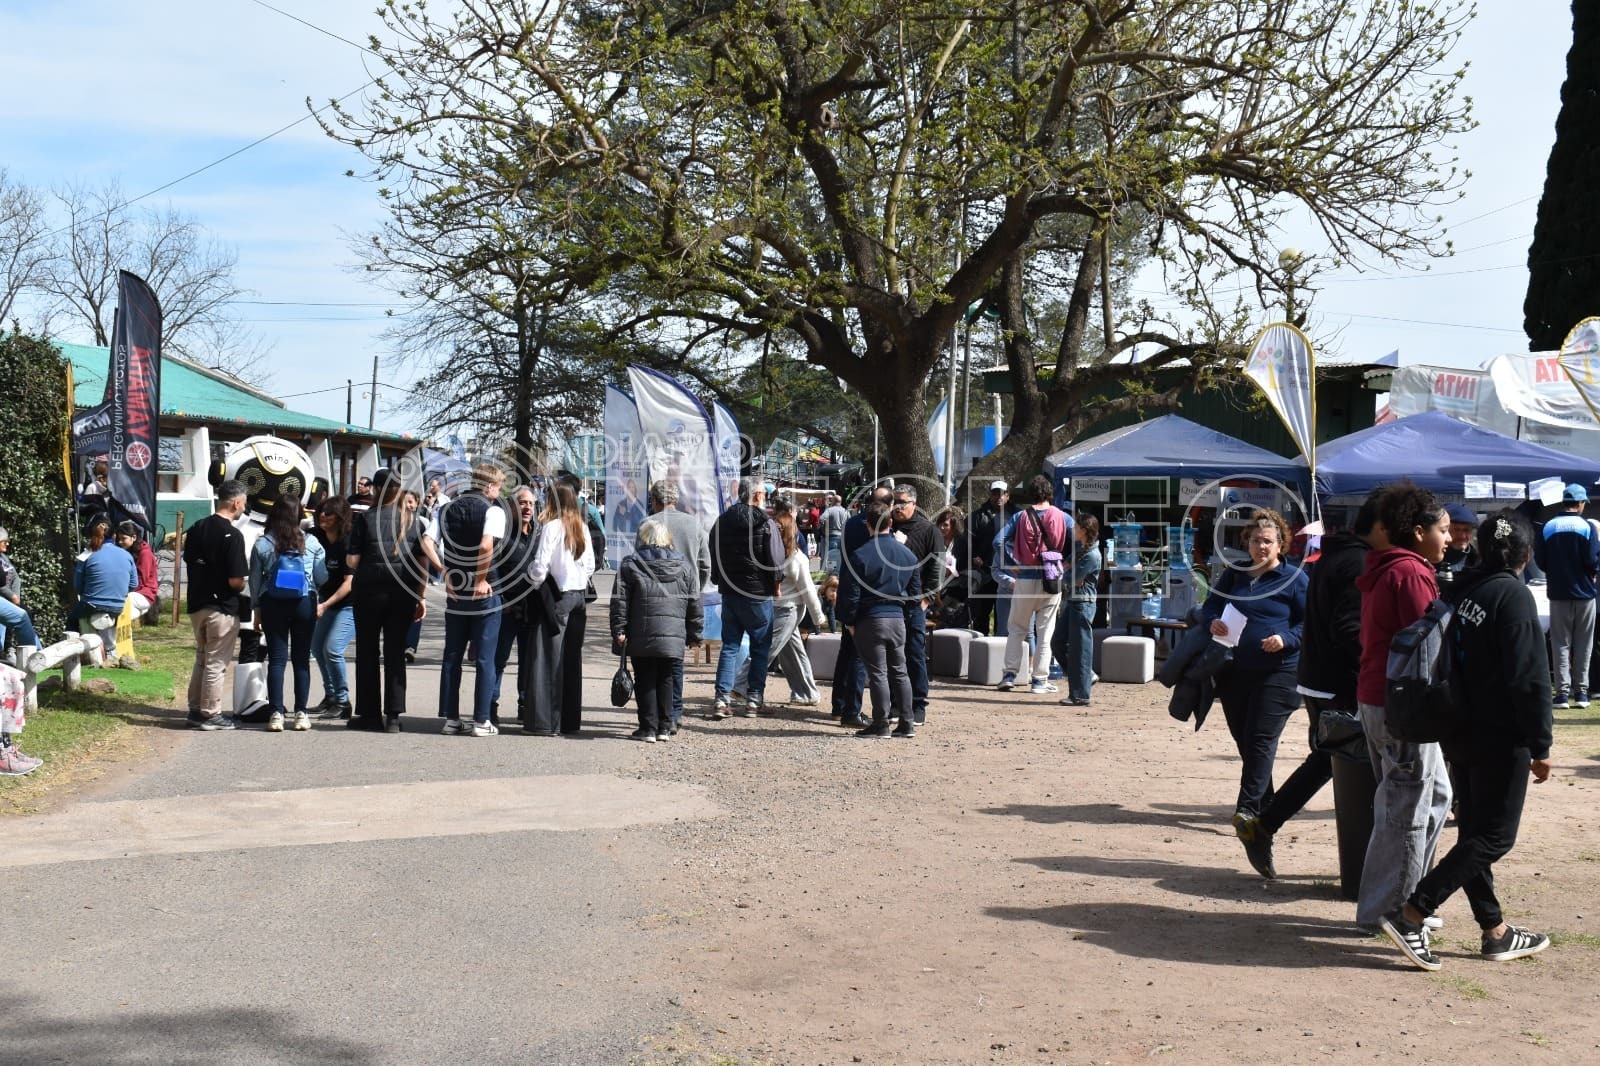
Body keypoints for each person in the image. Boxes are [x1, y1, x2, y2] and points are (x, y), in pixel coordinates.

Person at [1380, 509, 1554, 972]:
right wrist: (1541, 744)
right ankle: (1412, 912)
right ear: (1526, 554)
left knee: (1475, 833)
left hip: (1458, 728)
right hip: (1500, 736)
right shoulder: (1512, 596)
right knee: (1494, 836)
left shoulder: (1462, 589)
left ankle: (1494, 931)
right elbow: (1529, 679)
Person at [1243, 492, 1382, 879]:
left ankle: (1264, 825)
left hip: (1319, 679)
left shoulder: (1334, 557)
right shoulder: (1355, 562)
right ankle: (1265, 824)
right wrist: (1375, 669)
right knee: (1341, 761)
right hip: (1338, 683)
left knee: (1326, 760)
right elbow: (1348, 628)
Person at [1354, 481, 1452, 932]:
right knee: (1405, 810)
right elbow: (1426, 646)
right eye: (1442, 530)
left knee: (1434, 797)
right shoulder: (1409, 572)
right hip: (1401, 706)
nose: (1448, 539)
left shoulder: (1391, 567)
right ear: (1417, 532)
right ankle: (1390, 913)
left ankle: (1410, 901)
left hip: (1383, 699)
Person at [1200, 509, 1309, 862]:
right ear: (1246, 542)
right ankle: (1267, 812)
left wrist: (1285, 638)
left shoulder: (1294, 579)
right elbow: (1209, 608)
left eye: (1268, 541)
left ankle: (1246, 811)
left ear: (1281, 545)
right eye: (1255, 540)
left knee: (1261, 740)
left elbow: (1309, 624)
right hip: (1234, 671)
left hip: (1279, 673)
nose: (1261, 546)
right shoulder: (1234, 575)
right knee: (1247, 743)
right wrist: (1213, 621)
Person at [347, 470, 434, 732]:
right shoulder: (414, 521)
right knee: (395, 651)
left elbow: (353, 561)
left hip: (369, 592)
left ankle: (369, 714)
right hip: (403, 593)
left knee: (367, 651)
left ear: (376, 489)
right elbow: (422, 564)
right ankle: (394, 716)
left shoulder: (365, 519)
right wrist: (421, 596)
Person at [433, 462, 509, 737]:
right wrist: (480, 578)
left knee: (452, 655)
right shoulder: (493, 511)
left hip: (456, 591)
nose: (498, 493)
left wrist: (444, 572)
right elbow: (486, 544)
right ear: (489, 486)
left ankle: (451, 718)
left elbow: (428, 543)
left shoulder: (446, 508)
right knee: (485, 658)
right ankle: (481, 720)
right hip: (485, 591)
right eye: (498, 487)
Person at [612, 519, 703, 741]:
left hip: (641, 633)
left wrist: (619, 629)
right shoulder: (684, 566)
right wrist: (695, 634)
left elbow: (620, 601)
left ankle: (648, 728)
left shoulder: (630, 565)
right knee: (666, 678)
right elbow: (694, 603)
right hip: (673, 635)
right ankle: (664, 727)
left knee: (644, 678)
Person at [838, 500, 921, 738]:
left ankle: (881, 722)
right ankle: (907, 722)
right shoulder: (908, 555)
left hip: (871, 618)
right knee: (900, 671)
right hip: (897, 618)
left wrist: (849, 621)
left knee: (878, 673)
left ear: (868, 524)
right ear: (891, 523)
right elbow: (915, 594)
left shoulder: (859, 555)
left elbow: (850, 594)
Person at [248, 494, 328, 733]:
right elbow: (322, 576)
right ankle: (301, 713)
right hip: (304, 602)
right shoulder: (311, 542)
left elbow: (254, 581)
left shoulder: (263, 543)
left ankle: (276, 713)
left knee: (277, 659)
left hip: (272, 603)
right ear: (298, 515)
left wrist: (256, 609)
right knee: (301, 659)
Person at [524, 483, 596, 735]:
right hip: (579, 597)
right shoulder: (582, 527)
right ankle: (568, 721)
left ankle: (545, 722)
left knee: (547, 657)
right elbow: (590, 565)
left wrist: (533, 581)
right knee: (571, 659)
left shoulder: (552, 527)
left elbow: (540, 565)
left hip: (558, 596)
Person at [707, 477, 782, 719]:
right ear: (757, 495)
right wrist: (776, 585)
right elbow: (775, 560)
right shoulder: (766, 523)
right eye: (763, 493)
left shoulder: (722, 521)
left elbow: (713, 552)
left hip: (730, 592)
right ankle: (754, 700)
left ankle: (721, 699)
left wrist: (718, 578)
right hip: (757, 594)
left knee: (730, 645)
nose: (765, 497)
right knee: (760, 648)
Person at [639, 479, 709, 733]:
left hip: (652, 599)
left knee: (651, 661)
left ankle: (658, 715)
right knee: (675, 658)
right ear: (675, 500)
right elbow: (705, 564)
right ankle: (674, 712)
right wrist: (695, 589)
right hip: (684, 597)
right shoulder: (694, 524)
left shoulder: (647, 524)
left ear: (655, 500)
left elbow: (638, 563)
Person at [735, 511, 826, 706]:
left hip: (784, 609)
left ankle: (740, 685)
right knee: (791, 653)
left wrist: (817, 616)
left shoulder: (778, 557)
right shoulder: (794, 558)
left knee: (766, 649)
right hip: (785, 609)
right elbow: (808, 590)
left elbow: (808, 590)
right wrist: (818, 617)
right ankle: (806, 693)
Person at [182, 480, 249, 730]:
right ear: (236, 503)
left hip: (197, 604)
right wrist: (244, 586)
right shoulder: (233, 535)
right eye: (244, 503)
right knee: (216, 662)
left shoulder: (197, 528)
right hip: (221, 607)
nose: (244, 508)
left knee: (202, 658)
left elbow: (191, 560)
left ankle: (195, 709)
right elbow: (235, 580)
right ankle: (211, 713)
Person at [995, 475, 1071, 694]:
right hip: (1051, 577)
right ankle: (1039, 681)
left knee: (1016, 629)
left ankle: (1009, 676)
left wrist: (1011, 564)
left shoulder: (1020, 516)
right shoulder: (1062, 516)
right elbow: (1081, 540)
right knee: (1045, 632)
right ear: (1050, 493)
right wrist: (1066, 564)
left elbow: (998, 541)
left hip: (1025, 578)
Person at [1534, 484, 1598, 709]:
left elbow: (1540, 561)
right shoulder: (1587, 527)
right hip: (1585, 593)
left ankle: (1562, 694)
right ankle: (1581, 693)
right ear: (1580, 503)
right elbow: (1593, 559)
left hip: (1558, 592)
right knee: (1584, 643)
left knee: (1560, 643)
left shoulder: (1548, 526)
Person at [833, 486, 892, 728]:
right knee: (857, 657)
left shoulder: (851, 523)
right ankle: (852, 710)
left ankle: (839, 706)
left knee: (847, 653)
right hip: (866, 597)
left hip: (848, 590)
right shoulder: (872, 527)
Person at [891, 484, 942, 725]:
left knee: (915, 654)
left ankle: (918, 704)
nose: (897, 507)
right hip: (889, 601)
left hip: (915, 602)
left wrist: (926, 599)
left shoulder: (929, 530)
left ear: (914, 503)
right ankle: (894, 704)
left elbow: (936, 569)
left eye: (902, 502)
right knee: (892, 655)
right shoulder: (887, 527)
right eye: (894, 502)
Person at [492, 485, 543, 726]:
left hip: (531, 607)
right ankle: (491, 704)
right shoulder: (502, 534)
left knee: (528, 659)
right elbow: (491, 567)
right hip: (506, 608)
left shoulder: (538, 535)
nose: (527, 508)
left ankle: (525, 704)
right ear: (512, 505)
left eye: (531, 503)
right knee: (499, 659)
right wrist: (501, 599)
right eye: (523, 502)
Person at [310, 496, 356, 720]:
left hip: (348, 605)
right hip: (326, 602)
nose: (323, 515)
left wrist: (324, 605)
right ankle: (330, 696)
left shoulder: (347, 542)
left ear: (340, 517)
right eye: (321, 511)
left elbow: (349, 583)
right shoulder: (315, 536)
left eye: (328, 513)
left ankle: (343, 701)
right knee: (317, 647)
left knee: (332, 649)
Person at [1054, 512, 1102, 708]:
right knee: (1057, 642)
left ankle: (1080, 694)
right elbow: (1066, 571)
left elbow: (1070, 578)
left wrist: (1067, 575)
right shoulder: (1080, 550)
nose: (1072, 529)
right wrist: (1067, 574)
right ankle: (1085, 675)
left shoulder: (1091, 555)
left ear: (1084, 530)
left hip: (1083, 604)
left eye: (1075, 527)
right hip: (1074, 602)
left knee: (1080, 650)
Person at [74, 517, 138, 658]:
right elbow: (134, 584)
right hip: (117, 607)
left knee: (72, 620)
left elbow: (77, 586)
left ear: (93, 534)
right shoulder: (127, 555)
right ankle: (110, 651)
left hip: (91, 605)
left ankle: (79, 656)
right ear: (114, 536)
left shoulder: (87, 554)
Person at [966, 481, 1012, 636]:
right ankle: (981, 645)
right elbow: (966, 541)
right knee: (981, 614)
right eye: (995, 493)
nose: (998, 497)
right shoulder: (977, 516)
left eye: (1001, 494)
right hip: (984, 573)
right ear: (990, 495)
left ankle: (1001, 646)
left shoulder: (1016, 516)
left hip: (1007, 573)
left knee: (1003, 616)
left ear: (1007, 496)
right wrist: (974, 556)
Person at [0, 527, 41, 661]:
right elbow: (1, 585)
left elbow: (16, 577)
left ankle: (36, 651)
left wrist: (15, 596)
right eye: (4, 541)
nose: (7, 543)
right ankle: (8, 650)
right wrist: (11, 596)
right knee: (16, 617)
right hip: (4, 597)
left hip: (11, 597)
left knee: (26, 613)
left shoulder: (4, 558)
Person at [114, 521, 160, 621]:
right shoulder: (128, 551)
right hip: (133, 591)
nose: (120, 542)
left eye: (123, 538)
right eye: (118, 539)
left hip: (144, 593)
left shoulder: (145, 554)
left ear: (134, 537)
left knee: (124, 603)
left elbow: (141, 581)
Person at [1438, 503, 1480, 583]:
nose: (1462, 536)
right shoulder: (1432, 560)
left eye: (1466, 530)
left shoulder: (1478, 561)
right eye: (1456, 530)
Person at [820, 492, 850, 575]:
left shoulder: (829, 510)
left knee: (831, 557)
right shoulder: (846, 511)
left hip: (831, 536)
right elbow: (849, 523)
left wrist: (823, 528)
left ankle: (832, 576)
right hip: (842, 537)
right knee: (840, 557)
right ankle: (839, 574)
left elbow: (821, 519)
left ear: (833, 501)